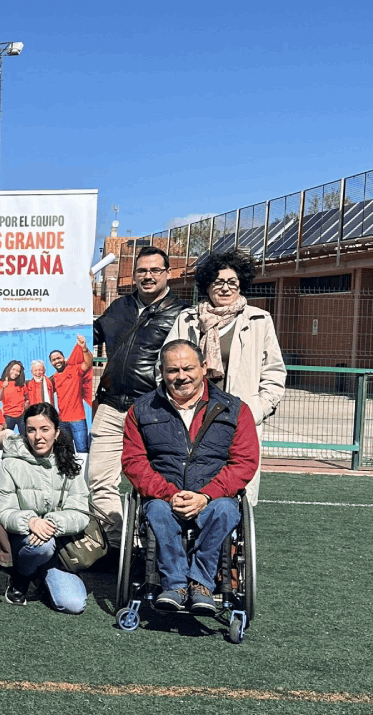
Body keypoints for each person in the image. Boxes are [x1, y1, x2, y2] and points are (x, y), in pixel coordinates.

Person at [122, 340, 258, 614]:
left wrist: (206, 495)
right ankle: (174, 585)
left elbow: (244, 462)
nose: (181, 376)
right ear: (161, 371)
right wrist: (168, 494)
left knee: (225, 511)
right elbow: (134, 461)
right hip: (164, 498)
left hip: (213, 497)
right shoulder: (141, 410)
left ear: (204, 368)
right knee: (157, 512)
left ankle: (201, 584)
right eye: (172, 370)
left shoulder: (235, 409)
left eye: (188, 368)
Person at [165, 249, 285, 506]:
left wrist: (258, 408)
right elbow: (163, 365)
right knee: (189, 475)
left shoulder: (259, 320)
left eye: (232, 282)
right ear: (207, 285)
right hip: (190, 412)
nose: (225, 288)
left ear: (241, 284)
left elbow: (274, 372)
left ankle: (228, 537)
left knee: (234, 480)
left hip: (237, 414)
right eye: (218, 282)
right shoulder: (187, 320)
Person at [90, 245, 188, 546]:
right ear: (134, 275)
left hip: (153, 409)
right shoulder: (119, 307)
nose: (148, 276)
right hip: (110, 405)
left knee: (154, 481)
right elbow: (88, 335)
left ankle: (153, 545)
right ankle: (122, 548)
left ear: (167, 273)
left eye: (155, 270)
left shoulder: (181, 313)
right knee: (98, 481)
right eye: (142, 271)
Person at [0, 403, 89, 613]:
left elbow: (81, 512)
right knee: (41, 546)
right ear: (25, 432)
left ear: (57, 432)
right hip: (24, 541)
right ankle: (20, 579)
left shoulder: (69, 464)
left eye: (45, 429)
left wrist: (54, 523)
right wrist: (31, 521)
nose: (38, 436)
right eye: (31, 430)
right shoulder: (10, 464)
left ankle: (43, 578)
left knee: (72, 604)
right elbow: (1, 511)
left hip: (61, 543)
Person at [48, 334, 93, 453]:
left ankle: (85, 472)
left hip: (78, 419)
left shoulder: (75, 369)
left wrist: (84, 348)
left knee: (82, 450)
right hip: (62, 421)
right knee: (67, 452)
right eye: (53, 360)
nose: (56, 361)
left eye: (58, 358)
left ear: (64, 358)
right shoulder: (53, 378)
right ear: (51, 363)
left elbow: (88, 363)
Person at [0, 360, 27, 430]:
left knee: (25, 437)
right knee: (7, 436)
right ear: (8, 369)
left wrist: (24, 409)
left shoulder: (22, 384)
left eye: (18, 371)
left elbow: (26, 398)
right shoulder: (0, 383)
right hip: (8, 415)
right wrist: (3, 387)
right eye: (13, 369)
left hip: (21, 415)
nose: (15, 372)